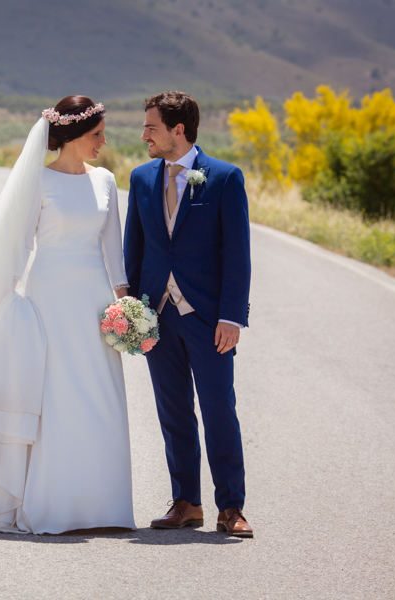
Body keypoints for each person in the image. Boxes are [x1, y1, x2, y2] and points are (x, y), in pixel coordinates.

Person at [0, 96, 136, 534]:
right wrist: (6, 306)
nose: (103, 142)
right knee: (57, 397)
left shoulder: (105, 181)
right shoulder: (38, 183)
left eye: (103, 134)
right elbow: (17, 246)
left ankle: (104, 506)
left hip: (96, 302)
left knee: (101, 397)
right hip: (49, 299)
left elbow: (114, 253)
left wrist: (127, 308)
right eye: (96, 135)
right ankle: (54, 505)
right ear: (69, 137)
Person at [124, 91, 254, 537]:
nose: (144, 136)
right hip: (158, 315)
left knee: (219, 410)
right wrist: (133, 314)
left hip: (208, 319)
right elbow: (134, 249)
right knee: (173, 411)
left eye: (151, 128)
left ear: (178, 130)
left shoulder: (223, 178)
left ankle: (230, 507)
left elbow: (238, 255)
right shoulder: (141, 179)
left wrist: (232, 318)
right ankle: (187, 503)